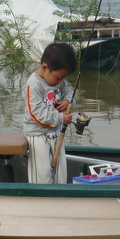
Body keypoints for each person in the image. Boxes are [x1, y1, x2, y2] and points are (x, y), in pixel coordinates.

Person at [23, 42, 77, 184]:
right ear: (45, 68)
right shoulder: (33, 85)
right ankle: (39, 200)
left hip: (56, 132)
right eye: (59, 78)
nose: (60, 81)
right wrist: (60, 118)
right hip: (37, 135)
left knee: (60, 174)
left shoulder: (59, 81)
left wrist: (68, 101)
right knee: (41, 175)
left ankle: (59, 199)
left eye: (63, 78)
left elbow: (69, 93)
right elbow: (36, 114)